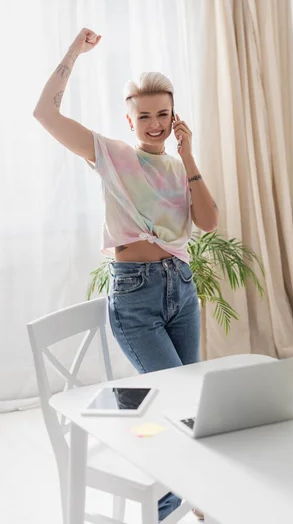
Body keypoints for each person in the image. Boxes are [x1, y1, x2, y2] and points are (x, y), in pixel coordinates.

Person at [33, 28, 218, 522]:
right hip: (136, 296)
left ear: (174, 117)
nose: (154, 124)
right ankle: (161, 506)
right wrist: (73, 52)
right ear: (129, 119)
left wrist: (190, 154)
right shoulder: (112, 155)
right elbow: (44, 115)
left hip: (182, 289)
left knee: (191, 398)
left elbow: (210, 221)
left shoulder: (180, 169)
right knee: (170, 400)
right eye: (144, 116)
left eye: (163, 114)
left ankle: (186, 492)